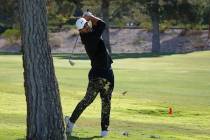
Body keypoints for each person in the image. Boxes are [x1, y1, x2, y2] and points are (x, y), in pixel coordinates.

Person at [65, 12, 114, 137]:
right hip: (98, 75)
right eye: (85, 27)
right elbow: (102, 24)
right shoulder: (90, 37)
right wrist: (90, 15)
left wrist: (87, 18)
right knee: (88, 100)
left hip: (108, 73)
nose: (88, 27)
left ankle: (104, 131)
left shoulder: (90, 34)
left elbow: (99, 25)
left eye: (87, 25)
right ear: (81, 31)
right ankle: (70, 122)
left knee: (106, 102)